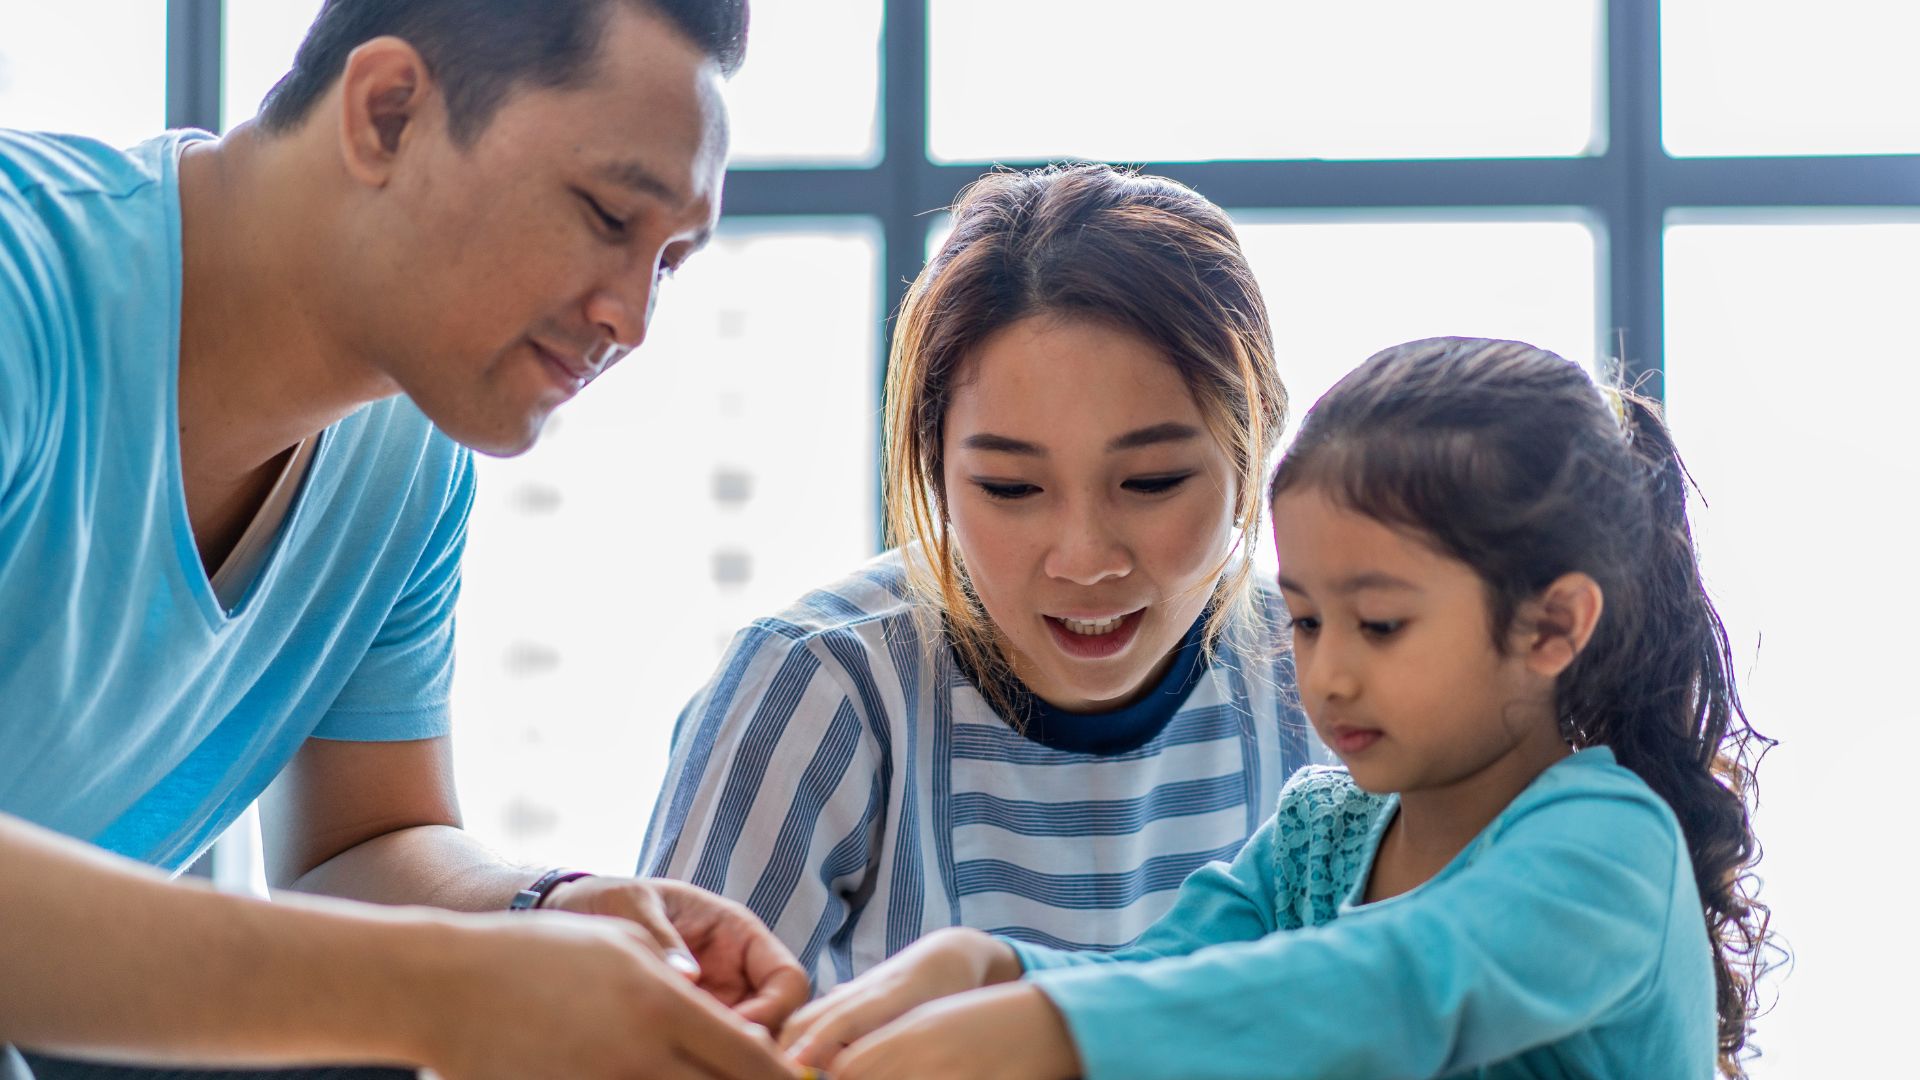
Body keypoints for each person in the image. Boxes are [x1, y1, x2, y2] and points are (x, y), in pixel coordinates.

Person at [0, 2, 811, 1077]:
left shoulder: (408, 458)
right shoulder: (22, 289)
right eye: (611, 216)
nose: (633, 320)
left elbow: (358, 845)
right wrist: (453, 993)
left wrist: (549, 911)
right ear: (388, 114)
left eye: (668, 262)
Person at [777, 337, 1778, 1079]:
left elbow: (1390, 989)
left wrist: (1046, 1036)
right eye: (1303, 622)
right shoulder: (1316, 835)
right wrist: (991, 969)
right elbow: (1163, 971)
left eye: (1379, 626)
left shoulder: (1607, 849)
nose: (1329, 675)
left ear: (1551, 627)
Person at [639, 164, 1319, 990]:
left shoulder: (1322, 671)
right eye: (1011, 490)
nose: (1085, 559)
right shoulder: (820, 686)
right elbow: (663, 1046)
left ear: (1251, 459)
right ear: (935, 471)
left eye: (1151, 483)